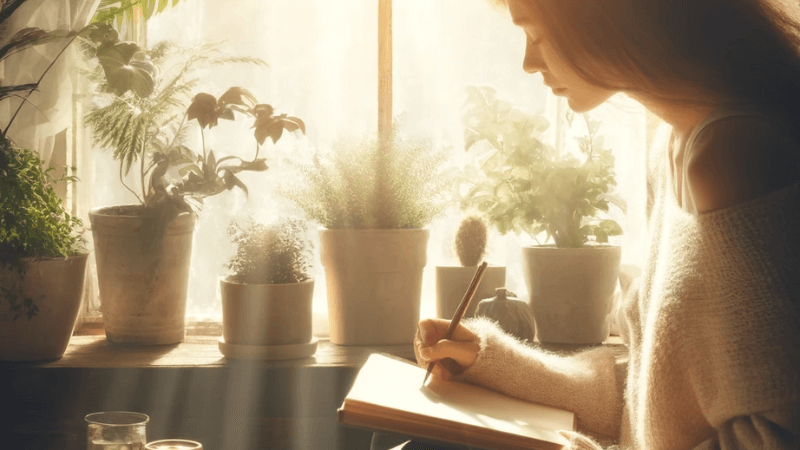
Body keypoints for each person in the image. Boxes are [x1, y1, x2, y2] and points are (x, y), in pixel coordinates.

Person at [383, 0, 800, 449]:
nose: (528, 62)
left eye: (537, 34)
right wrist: (487, 359)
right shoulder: (674, 145)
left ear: (602, 19)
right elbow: (649, 399)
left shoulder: (733, 158)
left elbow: (779, 435)